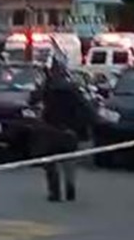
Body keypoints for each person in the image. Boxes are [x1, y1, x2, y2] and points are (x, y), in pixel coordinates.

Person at [30, 57, 93, 202]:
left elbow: (32, 99)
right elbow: (86, 108)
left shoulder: (47, 87)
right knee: (69, 162)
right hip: (70, 130)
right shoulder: (72, 88)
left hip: (51, 128)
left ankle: (55, 192)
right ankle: (70, 190)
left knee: (50, 162)